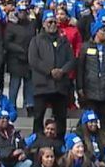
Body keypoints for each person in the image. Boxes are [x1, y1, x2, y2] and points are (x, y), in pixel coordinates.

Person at [29, 10, 75, 138]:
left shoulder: (64, 41)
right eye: (50, 22)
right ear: (43, 24)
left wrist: (62, 71)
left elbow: (71, 60)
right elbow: (33, 60)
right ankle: (37, 144)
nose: (53, 24)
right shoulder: (36, 40)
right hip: (42, 86)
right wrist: (50, 71)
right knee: (38, 117)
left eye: (55, 22)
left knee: (61, 118)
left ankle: (60, 144)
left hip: (60, 86)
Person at [77, 15, 105, 123]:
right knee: (91, 119)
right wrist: (80, 86)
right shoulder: (85, 47)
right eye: (102, 30)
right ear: (96, 32)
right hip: (90, 89)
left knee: (104, 119)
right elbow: (80, 68)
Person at [6, 4, 37, 114]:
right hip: (16, 58)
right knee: (15, 83)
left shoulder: (31, 25)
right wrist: (19, 50)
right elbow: (7, 42)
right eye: (20, 11)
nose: (22, 13)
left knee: (29, 84)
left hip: (29, 58)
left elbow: (35, 39)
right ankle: (12, 105)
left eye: (24, 11)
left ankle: (29, 105)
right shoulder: (11, 25)